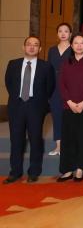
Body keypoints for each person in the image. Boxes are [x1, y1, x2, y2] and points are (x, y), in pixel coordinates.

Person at [3, 36, 55, 184]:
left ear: (40, 49)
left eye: (35, 45)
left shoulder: (46, 66)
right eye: (29, 44)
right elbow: (9, 83)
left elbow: (49, 87)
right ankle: (15, 172)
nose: (32, 47)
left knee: (35, 140)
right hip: (16, 106)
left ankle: (33, 172)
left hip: (36, 107)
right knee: (16, 140)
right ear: (23, 47)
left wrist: (40, 102)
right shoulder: (13, 64)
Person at [57, 34, 83, 182]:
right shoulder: (65, 63)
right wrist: (69, 102)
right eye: (76, 43)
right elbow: (61, 84)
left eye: (82, 43)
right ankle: (68, 170)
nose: (79, 46)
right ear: (71, 45)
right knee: (68, 138)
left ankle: (81, 169)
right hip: (68, 106)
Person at [47, 23, 72, 156]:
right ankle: (58, 146)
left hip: (70, 87)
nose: (63, 33)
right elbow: (48, 70)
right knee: (56, 117)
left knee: (69, 117)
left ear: (70, 34)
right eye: (60, 31)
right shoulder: (52, 50)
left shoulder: (74, 49)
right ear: (57, 34)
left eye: (66, 31)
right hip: (54, 87)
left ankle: (68, 146)